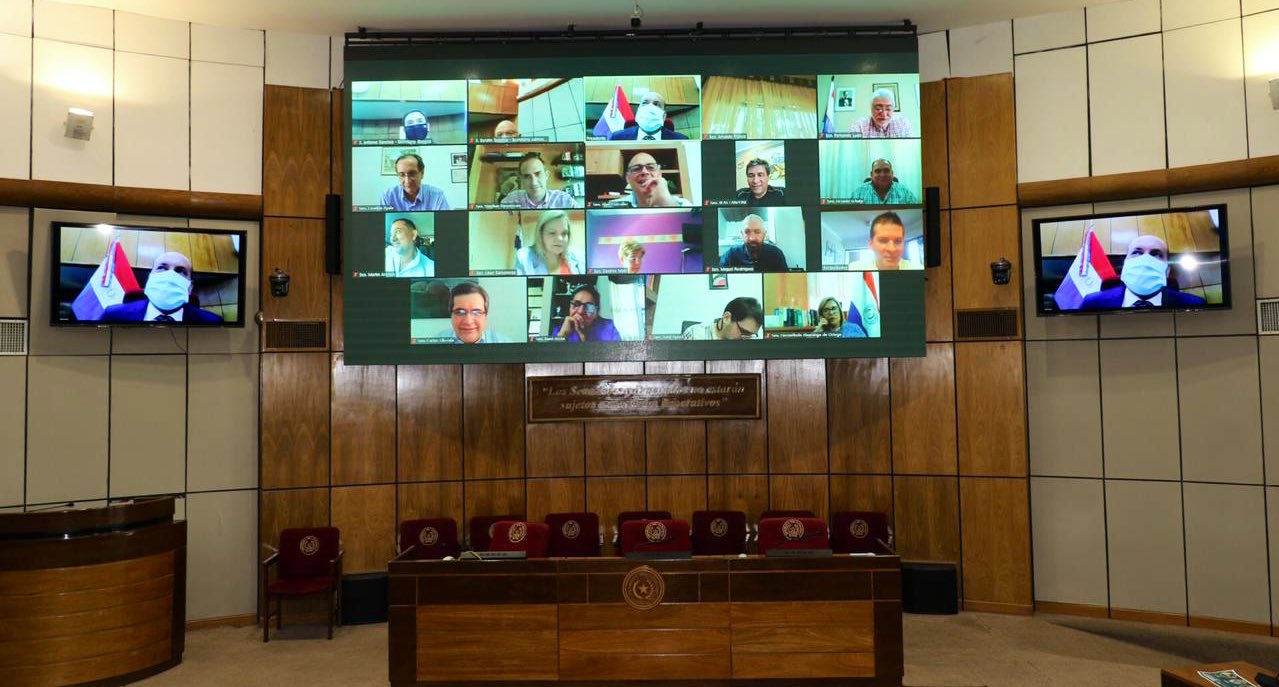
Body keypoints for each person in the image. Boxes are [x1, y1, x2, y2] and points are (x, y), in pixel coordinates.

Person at [1079, 235, 1207, 309]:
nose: (1146, 259)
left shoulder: (1194, 305)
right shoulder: (1092, 303)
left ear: (1167, 271)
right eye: (1137, 252)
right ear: (1125, 265)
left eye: (1156, 254)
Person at [100, 251, 222, 323]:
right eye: (162, 268)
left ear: (190, 287)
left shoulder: (212, 322)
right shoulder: (113, 314)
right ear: (150, 279)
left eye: (180, 271)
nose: (170, 275)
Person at [608, 152, 692, 208]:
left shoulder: (683, 205)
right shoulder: (612, 208)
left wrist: (668, 204)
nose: (644, 172)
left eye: (650, 167)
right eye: (636, 169)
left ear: (659, 174)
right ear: (627, 178)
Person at [434, 282, 509, 343]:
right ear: (451, 315)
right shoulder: (436, 342)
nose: (468, 321)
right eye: (460, 312)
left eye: (477, 312)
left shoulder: (504, 343)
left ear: (485, 316)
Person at [515, 210, 583, 275]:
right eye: (552, 233)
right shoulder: (524, 257)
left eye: (564, 233)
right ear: (541, 234)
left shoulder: (579, 256)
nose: (560, 239)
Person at [848, 211, 923, 271]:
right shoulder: (854, 269)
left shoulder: (918, 269)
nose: (892, 249)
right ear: (871, 244)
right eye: (883, 241)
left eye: (898, 241)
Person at [499, 153, 576, 209]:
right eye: (527, 176)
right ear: (521, 179)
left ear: (546, 175)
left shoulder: (564, 201)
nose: (534, 182)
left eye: (538, 174)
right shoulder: (510, 200)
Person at [380, 153, 450, 211]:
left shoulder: (437, 195)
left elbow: (443, 222)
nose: (407, 181)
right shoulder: (387, 196)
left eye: (412, 173)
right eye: (402, 175)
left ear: (422, 173)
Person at [719, 214, 789, 271]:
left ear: (764, 234)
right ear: (742, 234)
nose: (752, 238)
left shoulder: (776, 254)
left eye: (757, 232)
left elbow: (784, 280)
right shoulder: (731, 254)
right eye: (747, 232)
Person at [608, 91, 688, 140]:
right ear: (638, 111)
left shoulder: (681, 140)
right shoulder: (617, 137)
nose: (650, 107)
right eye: (645, 103)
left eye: (656, 104)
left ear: (664, 116)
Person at [555, 284, 622, 342]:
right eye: (576, 304)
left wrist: (583, 337)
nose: (580, 311)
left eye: (589, 307)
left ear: (596, 312)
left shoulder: (608, 328)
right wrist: (562, 335)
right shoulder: (560, 330)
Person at [681, 296, 763, 340]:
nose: (746, 338)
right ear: (726, 318)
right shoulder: (695, 334)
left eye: (751, 335)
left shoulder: (751, 339)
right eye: (744, 332)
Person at [850, 158, 919, 205]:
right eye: (878, 171)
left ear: (892, 174)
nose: (882, 175)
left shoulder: (905, 192)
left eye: (886, 171)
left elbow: (916, 213)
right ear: (871, 175)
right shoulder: (858, 193)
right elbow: (849, 215)